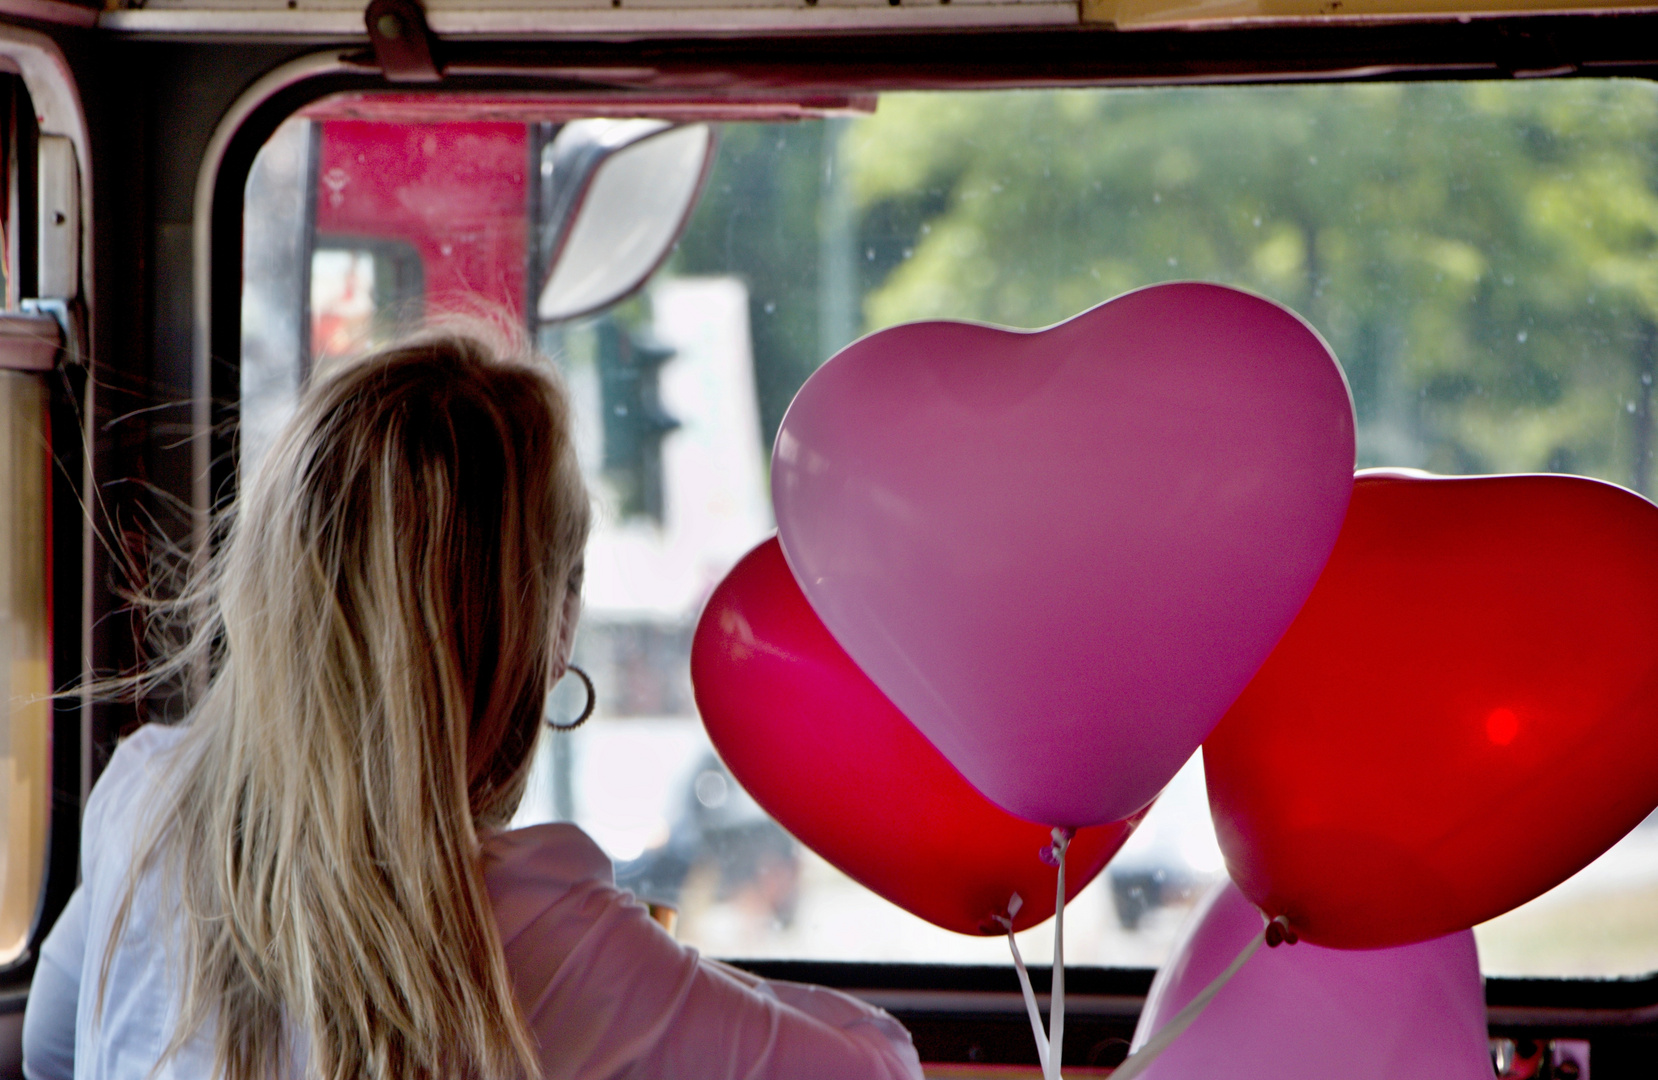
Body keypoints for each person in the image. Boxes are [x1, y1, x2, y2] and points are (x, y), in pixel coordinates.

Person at [21, 332, 923, 1080]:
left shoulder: (143, 800)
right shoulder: (537, 929)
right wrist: (679, 983)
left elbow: (49, 1050)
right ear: (543, 626)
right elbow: (877, 1068)